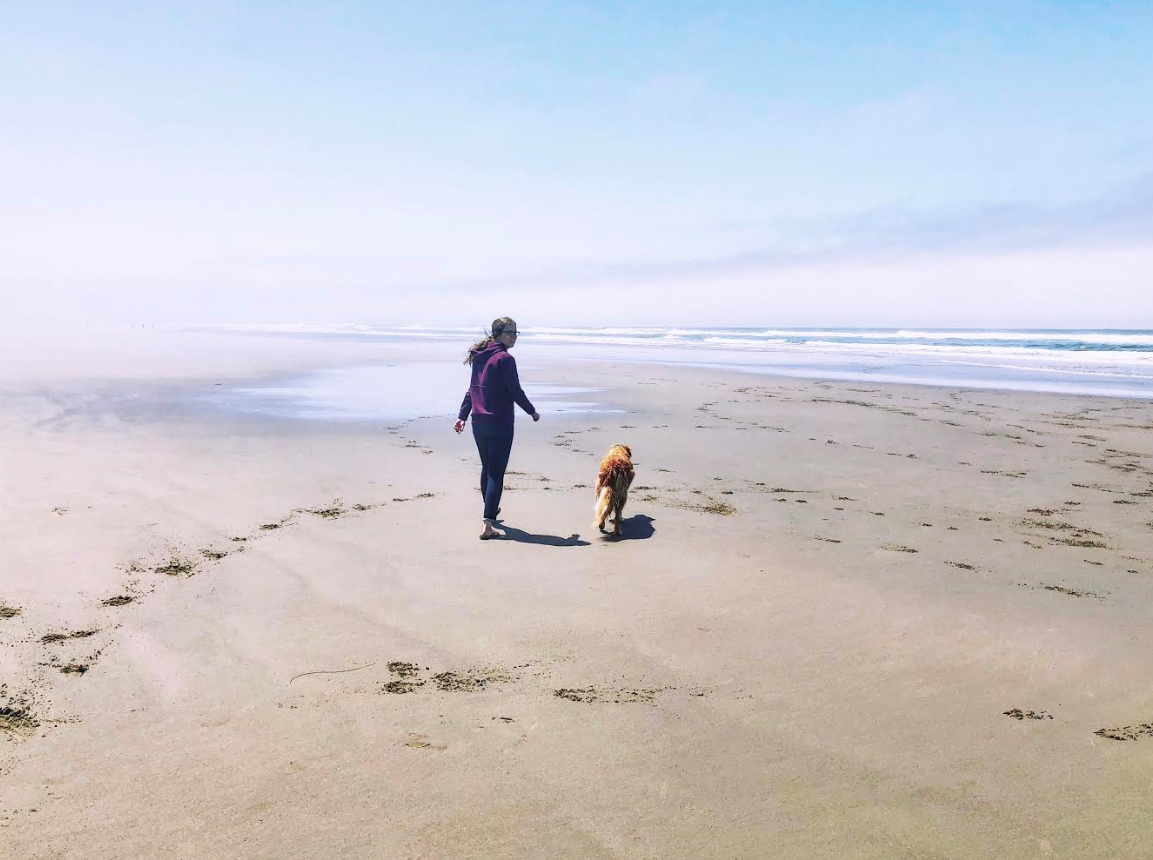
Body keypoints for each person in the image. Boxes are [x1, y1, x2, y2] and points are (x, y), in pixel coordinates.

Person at [454, 317, 540, 539]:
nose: (514, 336)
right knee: (496, 474)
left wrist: (462, 415)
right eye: (510, 332)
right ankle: (487, 525)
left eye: (516, 332)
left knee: (487, 468)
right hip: (499, 424)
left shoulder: (480, 355)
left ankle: (489, 509)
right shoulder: (505, 359)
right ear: (498, 333)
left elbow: (472, 388)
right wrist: (532, 411)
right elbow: (514, 391)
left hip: (479, 423)